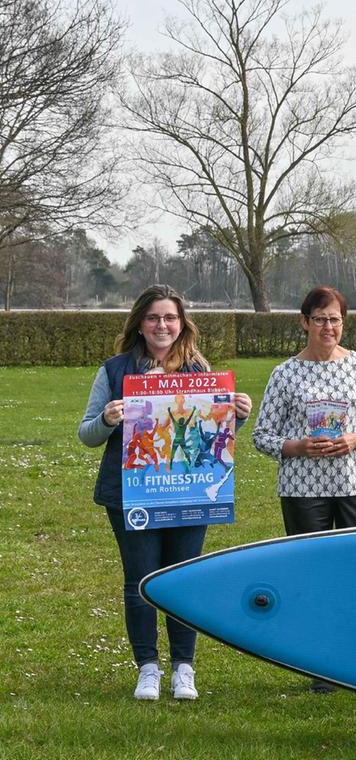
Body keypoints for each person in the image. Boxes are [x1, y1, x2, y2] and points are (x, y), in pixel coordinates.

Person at [78, 285, 252, 701]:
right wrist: (106, 418)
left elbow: (214, 439)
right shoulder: (115, 370)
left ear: (181, 323)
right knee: (139, 581)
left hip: (189, 494)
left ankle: (183, 669)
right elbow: (87, 434)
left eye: (170, 318)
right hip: (131, 495)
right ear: (140, 322)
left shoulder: (199, 370)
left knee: (183, 580)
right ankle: (148, 668)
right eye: (154, 317)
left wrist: (237, 418)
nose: (162, 325)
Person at [251, 286, 356, 692]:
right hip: (303, 488)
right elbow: (261, 435)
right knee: (314, 574)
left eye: (336, 319)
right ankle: (322, 666)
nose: (329, 327)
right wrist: (296, 446)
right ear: (304, 322)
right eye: (321, 319)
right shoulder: (285, 373)